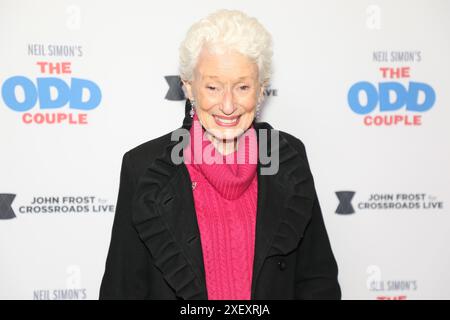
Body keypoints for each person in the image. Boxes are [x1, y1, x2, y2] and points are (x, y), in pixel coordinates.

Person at [99, 9, 341, 300]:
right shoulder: (145, 168)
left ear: (261, 90)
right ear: (189, 88)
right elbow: (122, 289)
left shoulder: (288, 158)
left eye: (242, 87)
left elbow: (317, 281)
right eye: (213, 87)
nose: (228, 105)